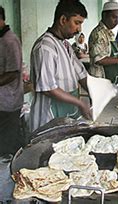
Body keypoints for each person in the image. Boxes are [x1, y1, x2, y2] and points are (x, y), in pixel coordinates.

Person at [29, 0, 92, 132]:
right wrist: (80, 103)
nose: (79, 29)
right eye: (77, 23)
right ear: (63, 19)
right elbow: (48, 88)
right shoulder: (45, 47)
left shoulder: (66, 45)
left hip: (67, 113)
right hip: (49, 117)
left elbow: (82, 74)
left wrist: (97, 93)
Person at [0, 6, 25, 160]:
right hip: (2, 101)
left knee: (6, 144)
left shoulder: (10, 40)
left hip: (9, 101)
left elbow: (13, 73)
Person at [89, 1, 118, 84]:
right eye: (114, 17)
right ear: (104, 16)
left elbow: (110, 54)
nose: (117, 21)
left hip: (113, 78)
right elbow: (100, 60)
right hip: (101, 80)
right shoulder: (98, 33)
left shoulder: (109, 33)